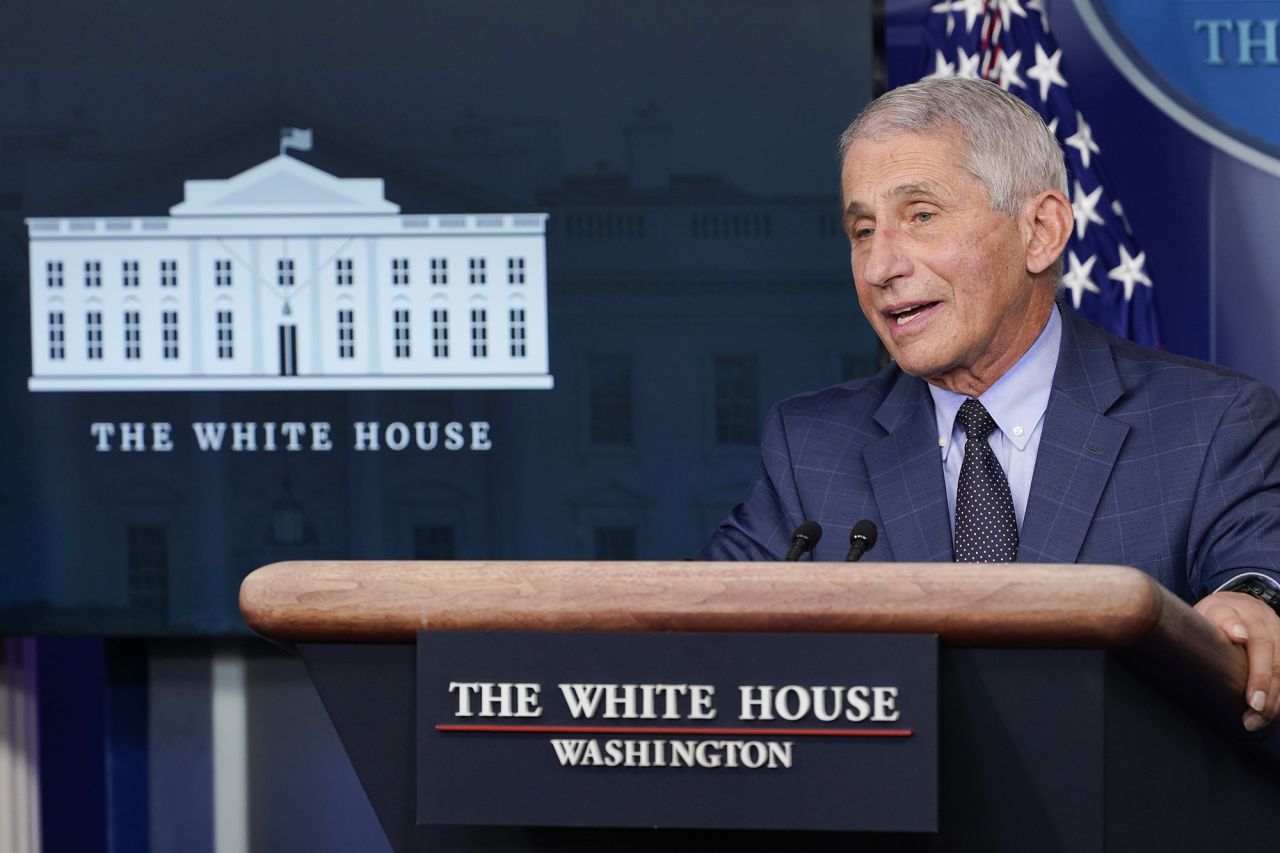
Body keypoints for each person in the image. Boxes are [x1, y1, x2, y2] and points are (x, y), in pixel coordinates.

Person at [698, 78, 1280, 733]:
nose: (879, 266)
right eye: (863, 230)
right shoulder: (810, 446)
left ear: (1041, 230)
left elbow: (1260, 574)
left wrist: (1253, 605)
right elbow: (702, 637)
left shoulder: (1210, 425)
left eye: (919, 215)